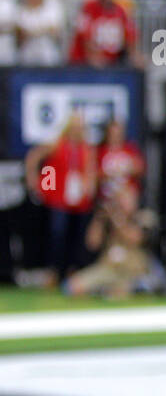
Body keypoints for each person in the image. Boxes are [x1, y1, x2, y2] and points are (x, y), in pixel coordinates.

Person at [25, 113, 97, 282]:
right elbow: (34, 156)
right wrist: (33, 179)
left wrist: (89, 186)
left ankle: (72, 270)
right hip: (59, 198)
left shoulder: (86, 148)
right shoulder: (57, 144)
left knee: (77, 235)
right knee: (57, 233)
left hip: (79, 199)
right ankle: (54, 270)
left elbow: (91, 170)